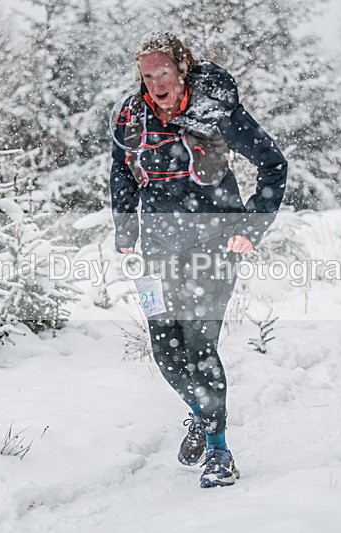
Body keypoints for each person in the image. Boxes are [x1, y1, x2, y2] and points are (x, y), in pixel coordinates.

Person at [109, 31, 287, 488]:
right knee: (166, 354)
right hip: (158, 248)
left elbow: (273, 164)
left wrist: (251, 227)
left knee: (199, 346)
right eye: (148, 75)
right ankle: (201, 414)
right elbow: (121, 171)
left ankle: (219, 452)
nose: (156, 84)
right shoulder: (132, 117)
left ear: (181, 69)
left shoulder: (215, 111)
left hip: (214, 244)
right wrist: (126, 230)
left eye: (163, 72)